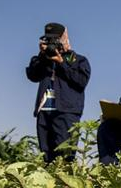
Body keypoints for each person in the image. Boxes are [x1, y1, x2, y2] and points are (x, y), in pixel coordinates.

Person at [26, 22, 91, 163]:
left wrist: (61, 62)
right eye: (48, 40)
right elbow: (32, 75)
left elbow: (81, 81)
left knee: (65, 157)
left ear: (62, 39)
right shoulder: (42, 59)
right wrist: (43, 56)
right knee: (46, 157)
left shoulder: (77, 59)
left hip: (66, 112)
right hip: (44, 111)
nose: (52, 44)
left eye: (54, 40)